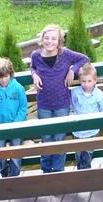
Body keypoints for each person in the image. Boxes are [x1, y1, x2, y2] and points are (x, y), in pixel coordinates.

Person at [30, 24, 90, 173]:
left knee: (59, 139)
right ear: (42, 39)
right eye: (47, 38)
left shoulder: (65, 54)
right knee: (46, 138)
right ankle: (46, 170)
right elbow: (33, 67)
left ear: (59, 41)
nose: (50, 41)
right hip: (44, 104)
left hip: (61, 104)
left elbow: (84, 59)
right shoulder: (36, 55)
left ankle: (58, 171)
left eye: (54, 39)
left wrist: (72, 70)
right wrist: (34, 74)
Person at [0, 57, 29, 177]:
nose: (4, 80)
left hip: (16, 126)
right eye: (0, 77)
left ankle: (14, 174)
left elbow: (23, 107)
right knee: (0, 150)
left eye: (6, 76)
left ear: (10, 74)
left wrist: (16, 123)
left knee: (16, 151)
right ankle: (3, 171)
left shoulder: (18, 87)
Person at [70, 63, 103, 170]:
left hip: (91, 130)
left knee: (87, 155)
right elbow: (73, 105)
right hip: (77, 131)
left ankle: (85, 176)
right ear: (79, 81)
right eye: (83, 81)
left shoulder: (98, 94)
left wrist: (97, 118)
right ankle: (80, 172)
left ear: (95, 81)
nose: (86, 84)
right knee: (78, 155)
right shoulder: (75, 93)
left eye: (89, 81)